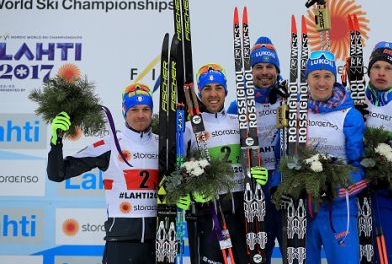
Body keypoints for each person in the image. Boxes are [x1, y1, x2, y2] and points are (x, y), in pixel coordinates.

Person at [47, 83, 159, 264]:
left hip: (159, 241)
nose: (140, 115)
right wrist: (56, 141)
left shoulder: (163, 144)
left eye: (146, 109)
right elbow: (58, 173)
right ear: (124, 112)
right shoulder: (109, 145)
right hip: (121, 243)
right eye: (134, 109)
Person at [179, 63, 268, 264]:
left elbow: (253, 156)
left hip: (243, 208)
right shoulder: (189, 127)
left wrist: (259, 171)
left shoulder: (239, 122)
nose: (213, 94)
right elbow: (179, 168)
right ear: (200, 93)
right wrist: (186, 191)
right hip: (209, 209)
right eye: (207, 89)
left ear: (226, 91)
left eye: (218, 88)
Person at [304, 50, 366, 264]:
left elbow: (360, 166)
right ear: (307, 79)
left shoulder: (349, 115)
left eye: (327, 76)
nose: (321, 83)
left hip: (339, 208)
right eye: (316, 76)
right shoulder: (296, 112)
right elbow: (282, 156)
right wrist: (280, 186)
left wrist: (339, 189)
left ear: (334, 78)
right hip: (303, 208)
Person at [227, 36, 285, 263]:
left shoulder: (288, 100)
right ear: (250, 71)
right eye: (258, 67)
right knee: (258, 254)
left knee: (295, 250)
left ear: (277, 70)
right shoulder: (238, 105)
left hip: (283, 185)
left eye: (270, 66)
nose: (264, 72)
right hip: (254, 187)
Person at [364, 41, 392, 263]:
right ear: (369, 69)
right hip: (353, 191)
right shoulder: (351, 98)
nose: (382, 73)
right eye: (377, 67)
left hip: (387, 193)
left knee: (385, 256)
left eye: (389, 68)